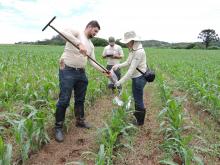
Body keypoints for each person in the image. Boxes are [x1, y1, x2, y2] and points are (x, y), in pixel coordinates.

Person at [55, 20, 109, 142]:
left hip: (81, 73)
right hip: (67, 70)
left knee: (80, 99)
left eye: (97, 32)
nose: (95, 34)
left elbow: (92, 61)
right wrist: (79, 44)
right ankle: (58, 127)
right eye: (95, 31)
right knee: (64, 100)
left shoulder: (91, 45)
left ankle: (80, 121)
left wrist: (104, 71)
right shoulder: (77, 32)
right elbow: (62, 32)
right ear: (89, 27)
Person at [112, 31, 147, 126]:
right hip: (136, 77)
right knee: (136, 97)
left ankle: (140, 122)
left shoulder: (139, 51)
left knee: (138, 99)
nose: (126, 44)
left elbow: (131, 70)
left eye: (127, 42)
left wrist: (120, 82)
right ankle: (137, 115)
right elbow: (128, 62)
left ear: (132, 40)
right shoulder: (133, 49)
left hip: (139, 78)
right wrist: (118, 65)